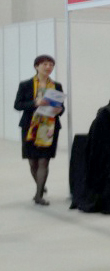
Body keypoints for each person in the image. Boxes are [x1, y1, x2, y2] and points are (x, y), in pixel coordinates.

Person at [14, 55, 65, 206]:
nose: (48, 67)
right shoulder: (26, 85)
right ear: (36, 66)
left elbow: (61, 108)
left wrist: (59, 110)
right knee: (33, 162)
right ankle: (40, 184)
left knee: (44, 161)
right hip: (30, 126)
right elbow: (18, 105)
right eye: (45, 64)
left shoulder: (56, 86)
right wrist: (35, 103)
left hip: (49, 127)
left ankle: (38, 195)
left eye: (51, 65)